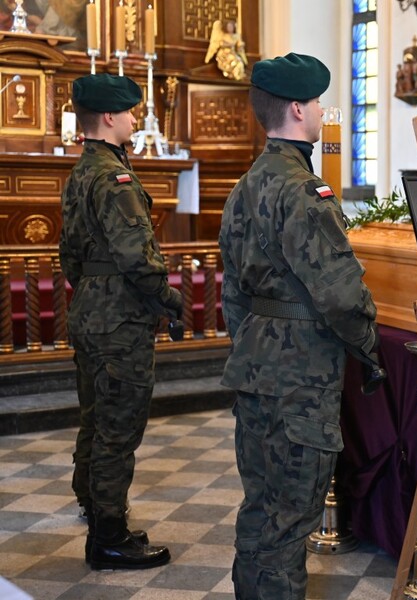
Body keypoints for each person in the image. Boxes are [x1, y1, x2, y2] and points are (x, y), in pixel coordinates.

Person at [218, 53, 379, 599]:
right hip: (301, 377)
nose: (320, 111)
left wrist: (251, 344)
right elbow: (340, 294)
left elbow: (232, 291)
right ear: (295, 109)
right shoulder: (304, 192)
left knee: (260, 506)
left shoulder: (244, 186)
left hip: (254, 366)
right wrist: (368, 347)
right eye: (315, 102)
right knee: (290, 517)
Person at [59, 73, 178, 570]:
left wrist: (94, 289)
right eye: (129, 111)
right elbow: (136, 255)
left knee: (95, 417)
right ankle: (109, 538)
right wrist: (167, 297)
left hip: (90, 310)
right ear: (109, 117)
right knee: (118, 428)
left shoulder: (81, 171)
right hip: (119, 321)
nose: (134, 118)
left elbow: (69, 256)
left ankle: (94, 505)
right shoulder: (113, 177)